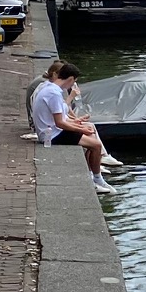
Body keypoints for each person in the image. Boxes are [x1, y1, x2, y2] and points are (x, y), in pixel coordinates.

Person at [31, 60, 115, 195]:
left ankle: (91, 176)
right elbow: (60, 123)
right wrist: (81, 129)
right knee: (96, 145)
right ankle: (97, 179)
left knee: (91, 135)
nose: (72, 85)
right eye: (74, 81)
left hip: (50, 130)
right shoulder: (54, 94)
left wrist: (77, 123)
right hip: (51, 135)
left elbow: (59, 118)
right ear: (70, 79)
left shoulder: (49, 87)